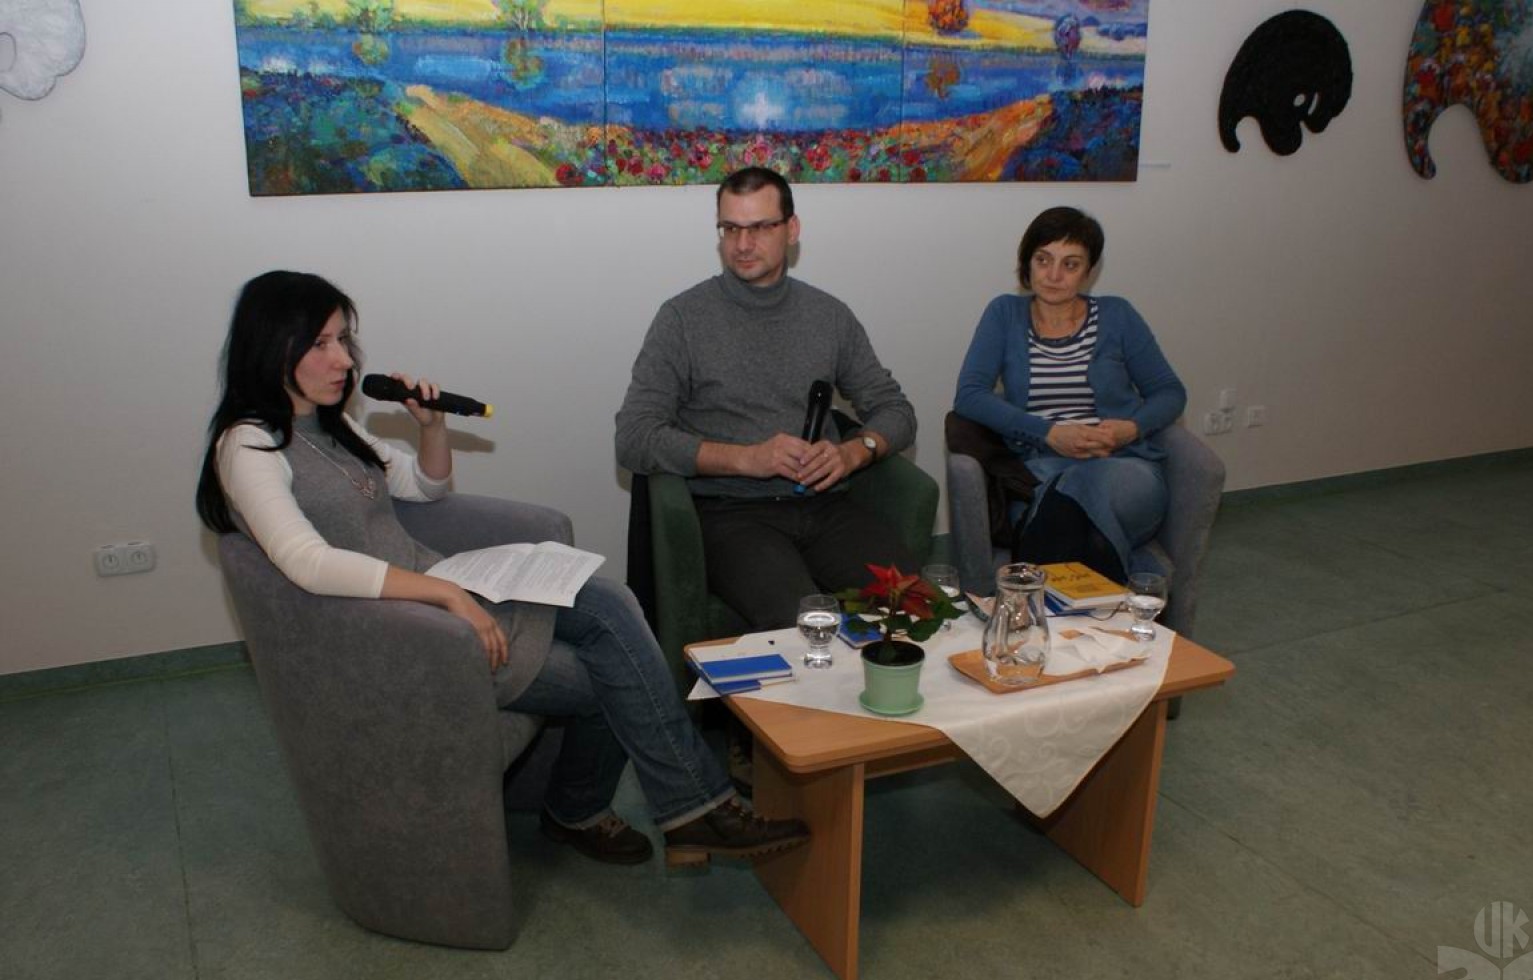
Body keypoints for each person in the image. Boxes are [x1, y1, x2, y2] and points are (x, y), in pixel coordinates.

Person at [196, 270, 807, 868]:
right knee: (610, 675)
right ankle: (622, 808)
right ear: (272, 346)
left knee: (611, 602)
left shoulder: (331, 424)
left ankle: (666, 808)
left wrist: (431, 426)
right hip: (405, 635)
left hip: (439, 591)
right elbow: (307, 562)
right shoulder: (248, 445)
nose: (343, 360)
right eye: (320, 344)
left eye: (343, 340)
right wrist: (445, 596)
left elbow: (426, 488)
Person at [614, 166, 919, 631]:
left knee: (915, 604)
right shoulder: (682, 319)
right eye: (730, 228)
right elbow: (634, 437)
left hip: (824, 506)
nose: (743, 244)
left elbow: (896, 410)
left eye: (759, 227)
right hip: (732, 513)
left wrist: (854, 453)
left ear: (791, 230)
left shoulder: (829, 316)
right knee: (803, 624)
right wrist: (747, 459)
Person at [952, 207, 1187, 582]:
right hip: (1041, 470)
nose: (1054, 275)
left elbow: (1170, 392)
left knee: (1073, 494)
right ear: (1027, 262)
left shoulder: (1118, 315)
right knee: (1068, 509)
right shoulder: (1004, 314)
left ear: (1089, 271)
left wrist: (1129, 429)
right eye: (1043, 260)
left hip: (1124, 469)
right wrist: (1048, 434)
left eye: (1070, 264)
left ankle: (1034, 598)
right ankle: (1129, 587)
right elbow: (969, 395)